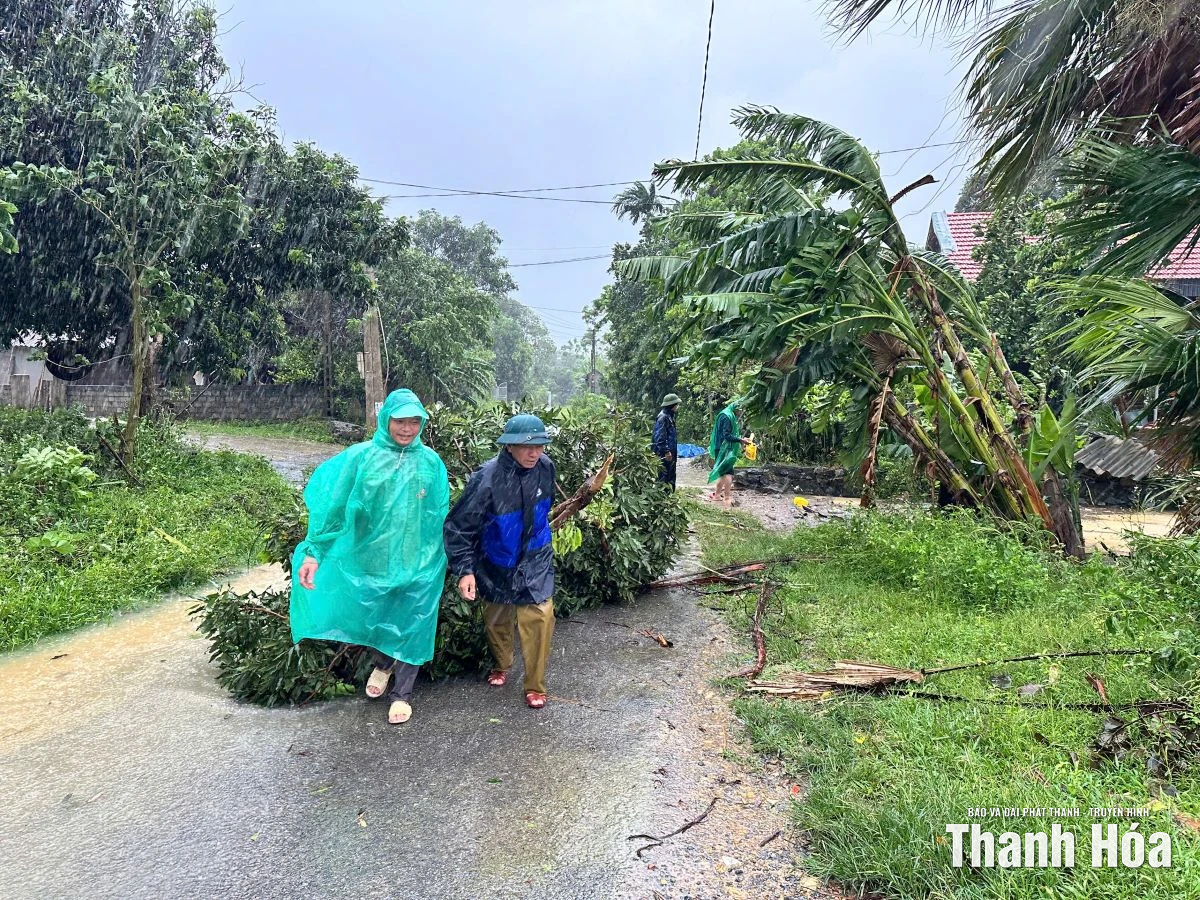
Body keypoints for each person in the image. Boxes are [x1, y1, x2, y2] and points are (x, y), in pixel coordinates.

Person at [290, 389, 450, 725]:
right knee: (374, 613)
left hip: (419, 560)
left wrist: (441, 559)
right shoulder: (361, 458)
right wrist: (315, 552)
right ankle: (382, 663)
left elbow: (438, 512)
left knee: (414, 620)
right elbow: (333, 508)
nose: (407, 428)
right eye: (400, 420)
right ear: (385, 420)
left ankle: (402, 694)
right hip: (371, 559)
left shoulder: (431, 463)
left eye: (414, 421)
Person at [443, 413, 556, 710]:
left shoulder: (546, 467)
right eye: (526, 446)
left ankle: (535, 685)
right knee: (497, 616)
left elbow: (547, 506)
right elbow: (459, 526)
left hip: (536, 555)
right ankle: (502, 663)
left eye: (539, 446)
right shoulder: (487, 477)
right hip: (496, 559)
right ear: (509, 446)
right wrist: (465, 570)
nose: (534, 453)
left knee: (540, 615)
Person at [707, 399, 750, 510]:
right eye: (740, 410)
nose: (741, 412)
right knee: (728, 473)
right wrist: (740, 440)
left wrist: (740, 439)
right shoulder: (727, 416)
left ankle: (716, 495)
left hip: (722, 447)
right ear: (736, 409)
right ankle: (727, 497)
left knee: (722, 472)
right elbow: (727, 435)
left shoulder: (728, 414)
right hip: (723, 448)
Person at [651, 393, 681, 490]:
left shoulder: (670, 416)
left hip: (671, 452)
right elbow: (660, 437)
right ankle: (662, 497)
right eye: (677, 404)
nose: (677, 406)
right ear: (672, 405)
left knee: (671, 474)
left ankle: (670, 497)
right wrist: (666, 451)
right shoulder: (663, 417)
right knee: (663, 476)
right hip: (664, 453)